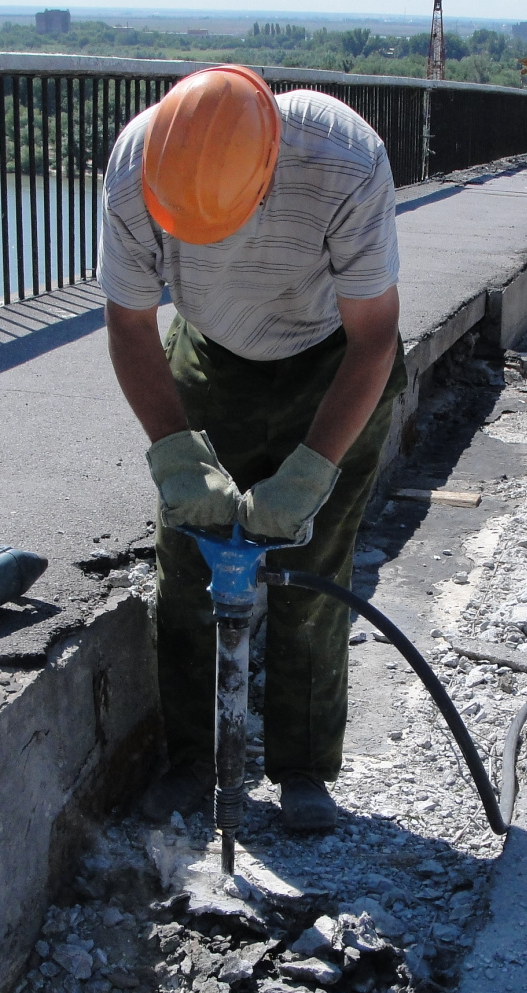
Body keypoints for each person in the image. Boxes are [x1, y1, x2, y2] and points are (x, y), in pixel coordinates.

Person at [99, 65, 405, 831]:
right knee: (189, 565)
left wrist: (310, 472)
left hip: (333, 361)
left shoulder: (344, 160)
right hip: (212, 353)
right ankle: (195, 758)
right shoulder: (139, 168)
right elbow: (132, 326)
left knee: (311, 573)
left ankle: (301, 768)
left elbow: (374, 340)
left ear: (269, 166)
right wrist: (177, 453)